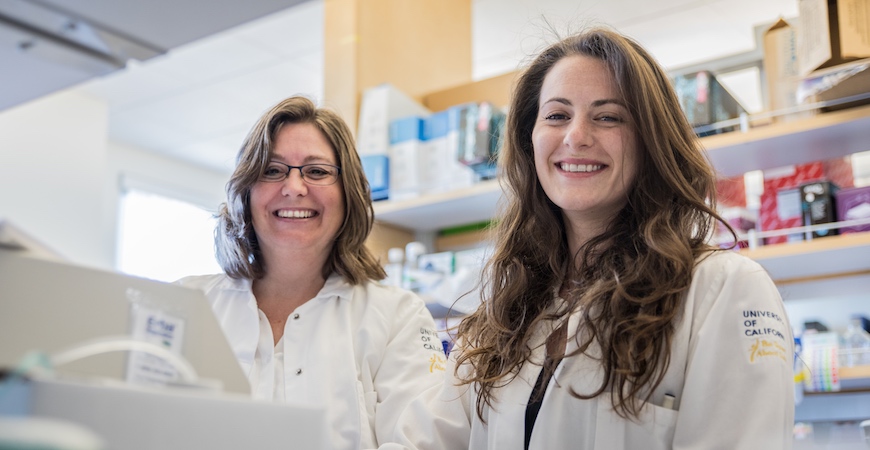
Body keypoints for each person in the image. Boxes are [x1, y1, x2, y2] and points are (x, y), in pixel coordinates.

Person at [384, 28, 794, 449]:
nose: (576, 136)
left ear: (652, 141)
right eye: (556, 116)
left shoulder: (723, 289)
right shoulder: (506, 311)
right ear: (529, 141)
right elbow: (429, 438)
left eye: (608, 116)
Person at [176, 96, 447, 450]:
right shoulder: (189, 306)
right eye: (272, 171)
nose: (294, 187)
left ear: (348, 192)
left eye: (317, 171)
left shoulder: (397, 317)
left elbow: (422, 442)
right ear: (246, 191)